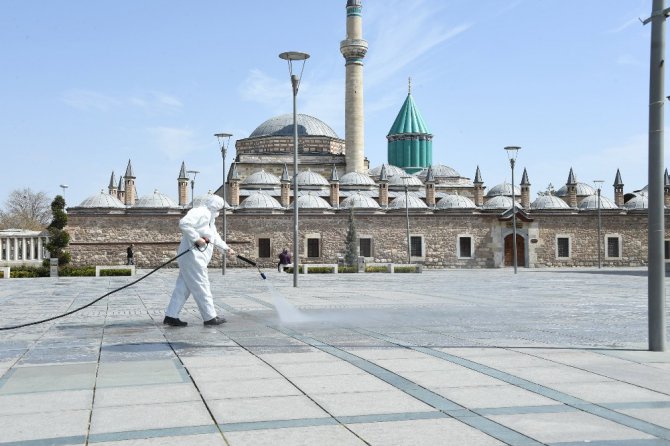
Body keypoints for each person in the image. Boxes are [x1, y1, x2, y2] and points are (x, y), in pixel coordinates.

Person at [164, 195, 235, 327]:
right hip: (193, 257)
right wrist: (196, 238)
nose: (220, 212)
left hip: (194, 258)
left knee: (183, 288)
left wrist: (226, 249)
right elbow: (184, 223)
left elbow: (214, 238)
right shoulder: (201, 212)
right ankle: (210, 317)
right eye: (220, 209)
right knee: (202, 285)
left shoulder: (210, 219)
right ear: (216, 206)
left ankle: (171, 315)